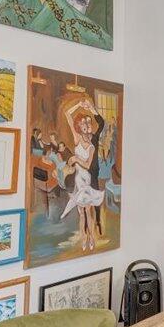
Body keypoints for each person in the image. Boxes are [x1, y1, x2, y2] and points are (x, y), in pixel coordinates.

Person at [60, 99, 106, 251]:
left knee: (88, 211)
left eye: (88, 124)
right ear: (79, 127)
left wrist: (76, 159)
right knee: (81, 213)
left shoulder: (92, 144)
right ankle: (84, 238)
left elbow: (86, 164)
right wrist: (78, 105)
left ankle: (92, 237)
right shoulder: (77, 138)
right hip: (79, 179)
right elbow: (67, 114)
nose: (87, 126)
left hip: (87, 177)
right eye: (84, 124)